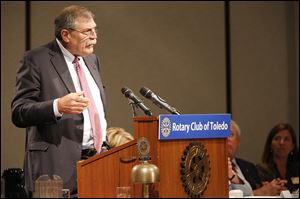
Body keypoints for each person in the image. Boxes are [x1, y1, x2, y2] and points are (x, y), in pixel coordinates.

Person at [11, 5, 107, 197]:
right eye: (87, 31)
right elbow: (19, 112)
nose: (95, 36)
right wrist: (57, 106)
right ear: (66, 35)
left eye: (95, 30)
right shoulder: (36, 60)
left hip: (96, 164)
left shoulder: (92, 60)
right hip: (54, 168)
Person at [228, 120, 287, 196]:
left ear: (238, 141)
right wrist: (260, 193)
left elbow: (257, 189)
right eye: (222, 135)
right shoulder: (210, 168)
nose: (226, 139)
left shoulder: (249, 167)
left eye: (230, 134)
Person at [256, 123, 299, 193]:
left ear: (292, 146)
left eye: (286, 139)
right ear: (270, 144)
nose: (281, 143)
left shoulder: (296, 169)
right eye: (277, 139)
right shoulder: (261, 170)